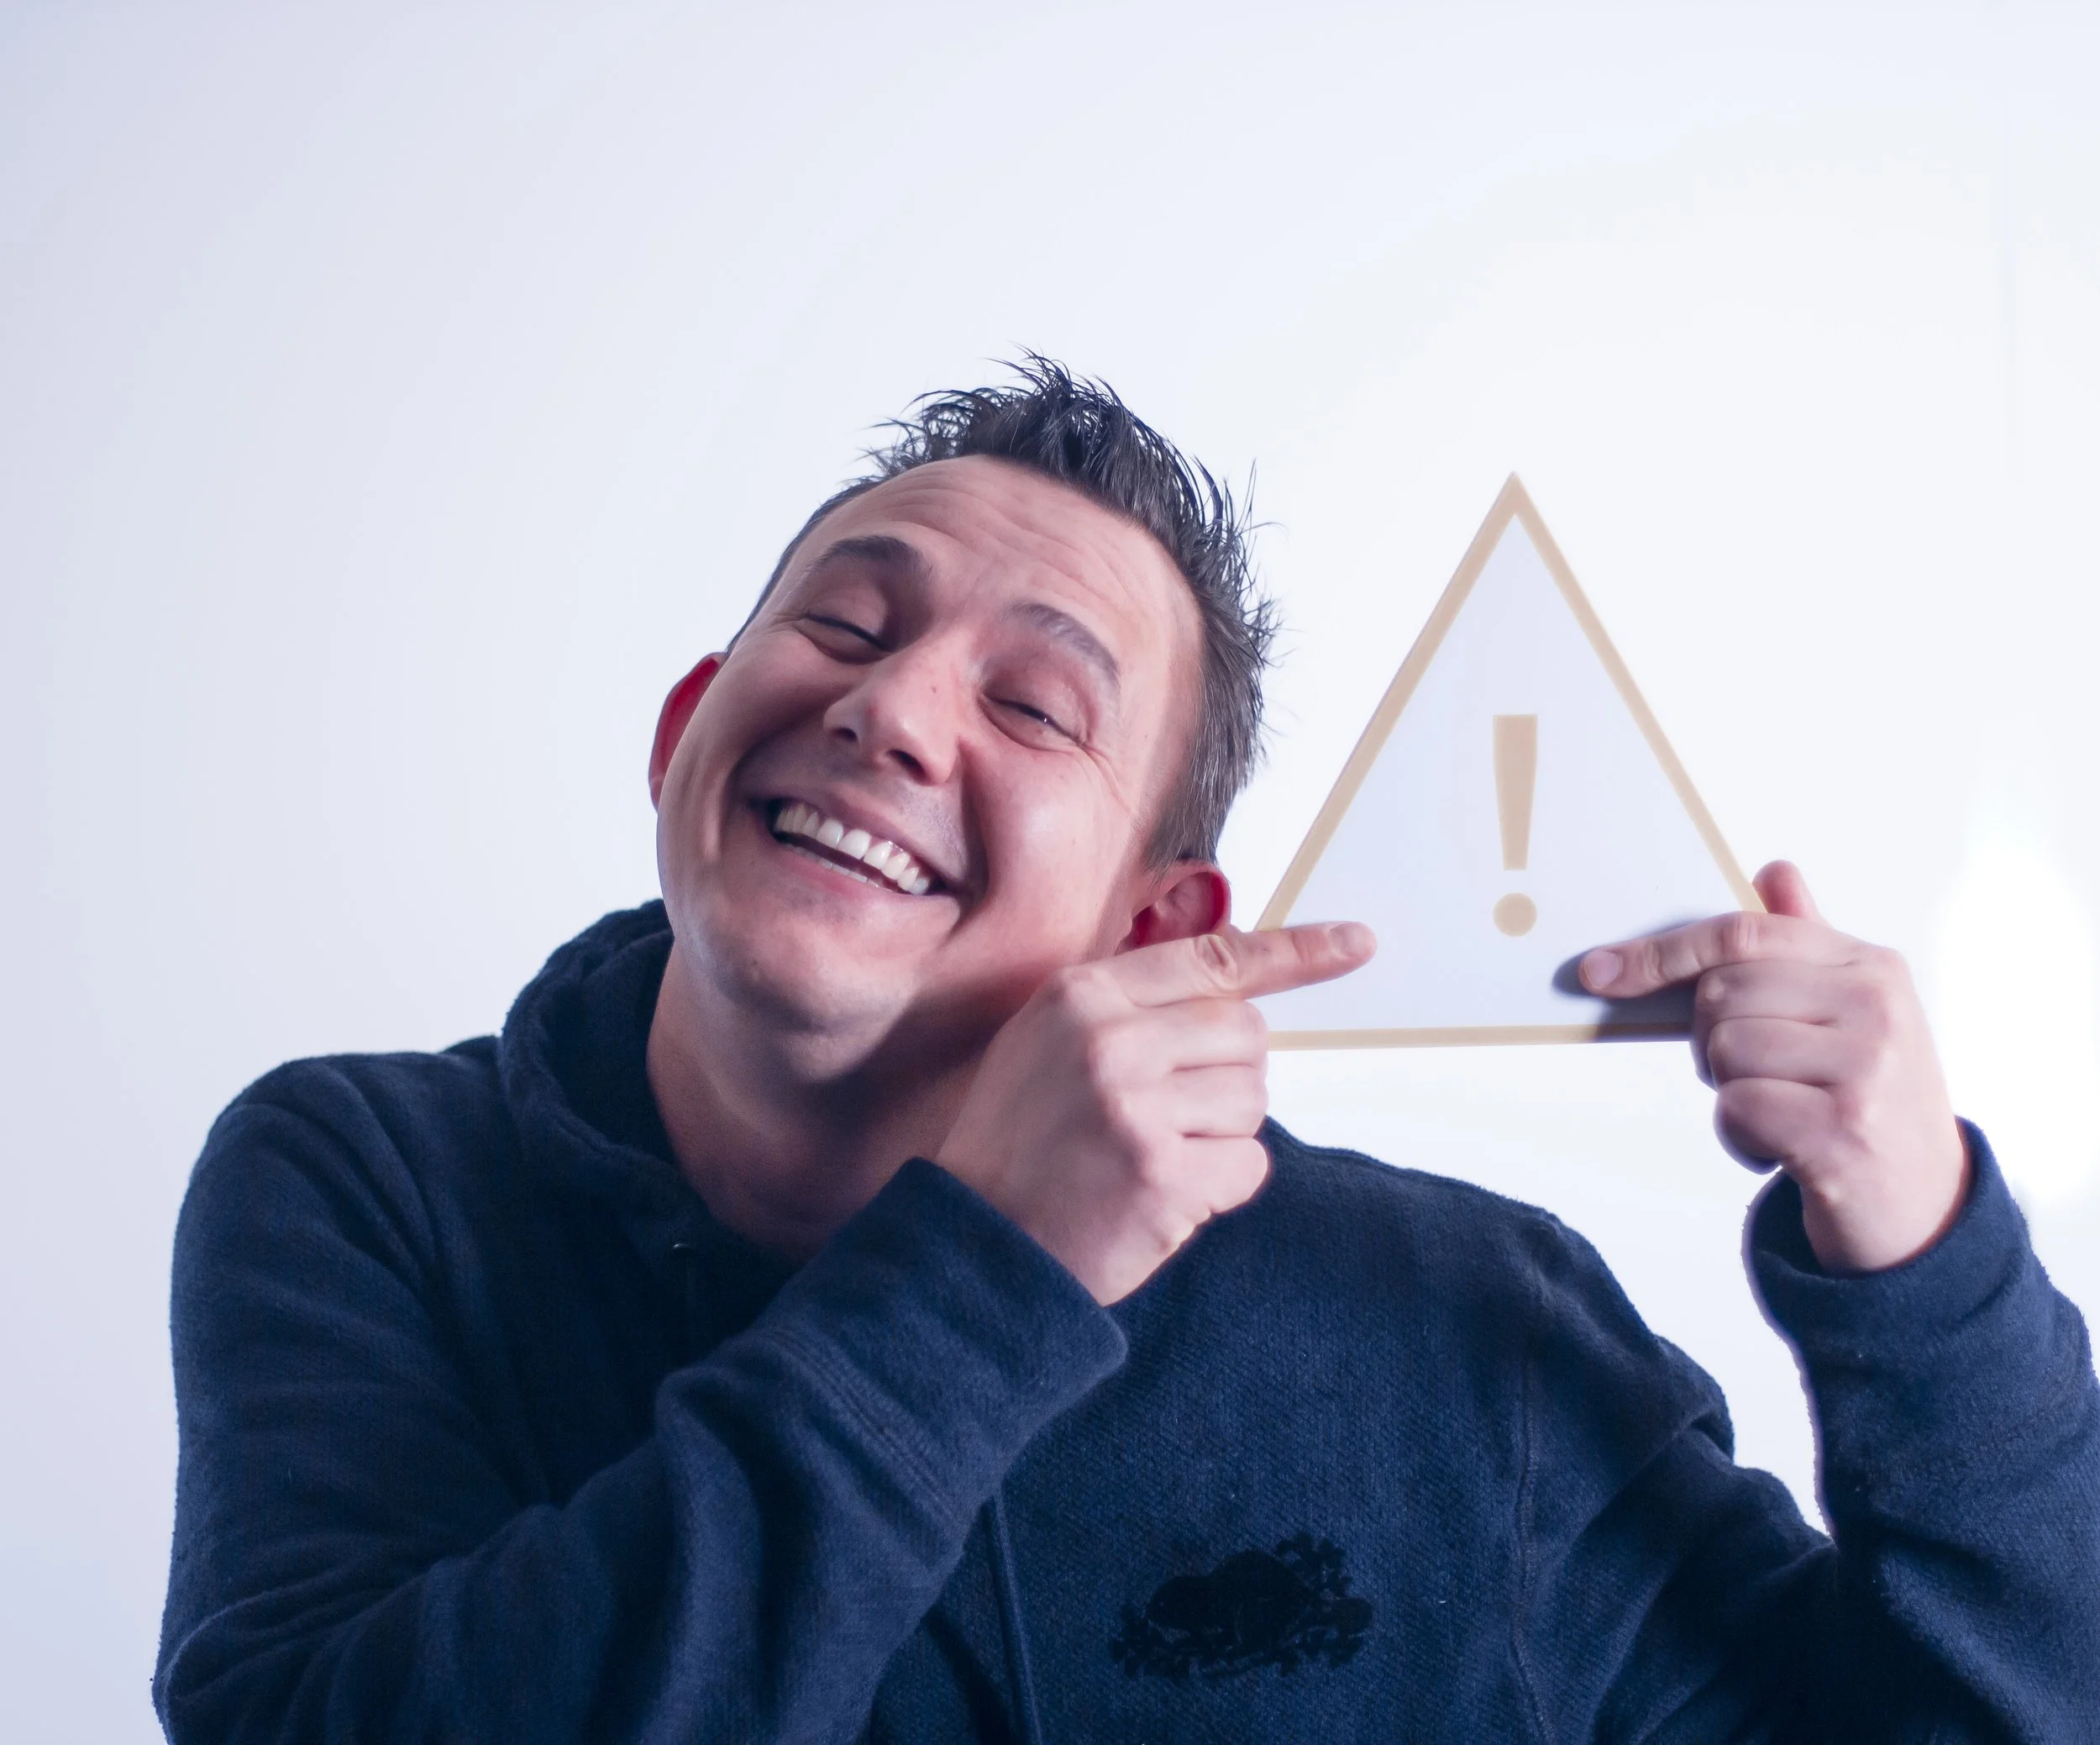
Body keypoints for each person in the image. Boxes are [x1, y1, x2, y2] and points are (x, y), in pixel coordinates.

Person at [155, 360, 2097, 1743]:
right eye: (844, 625)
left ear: (1157, 931)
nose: (894, 711)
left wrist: (1926, 1272)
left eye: (1033, 705)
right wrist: (984, 1273)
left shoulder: (1456, 1323)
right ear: (685, 735)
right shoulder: (368, 1187)